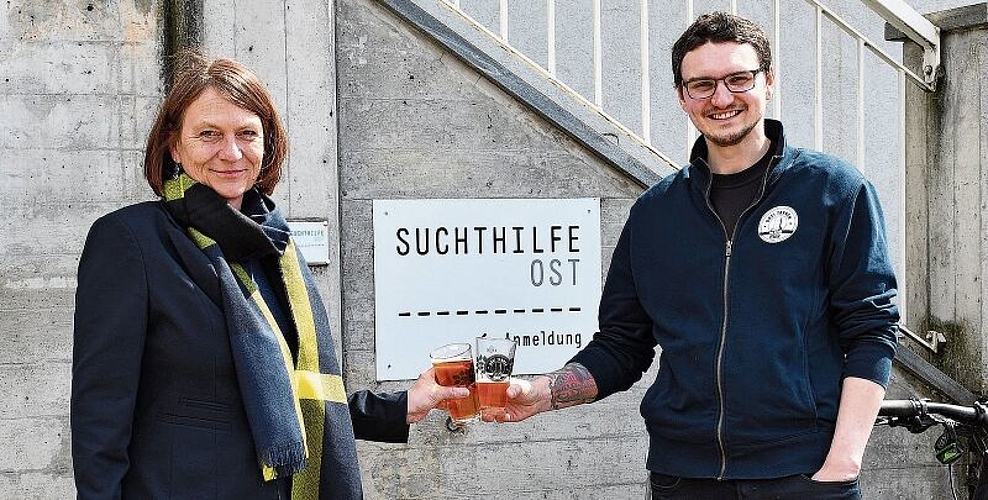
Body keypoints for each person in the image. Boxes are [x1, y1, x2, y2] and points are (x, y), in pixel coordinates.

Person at [496, 12, 899, 500]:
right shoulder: (655, 214)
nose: (722, 98)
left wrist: (843, 463)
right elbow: (622, 344)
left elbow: (871, 332)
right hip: (682, 475)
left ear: (768, 82)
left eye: (738, 79)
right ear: (682, 96)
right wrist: (540, 394)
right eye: (702, 84)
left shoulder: (833, 191)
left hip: (803, 472)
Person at [70, 51, 466, 500]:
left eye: (246, 134)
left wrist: (401, 408)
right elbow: (100, 413)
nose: (231, 152)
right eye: (208, 134)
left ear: (267, 143)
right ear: (174, 146)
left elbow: (289, 394)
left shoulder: (277, 248)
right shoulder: (131, 241)